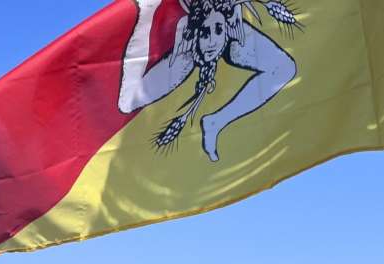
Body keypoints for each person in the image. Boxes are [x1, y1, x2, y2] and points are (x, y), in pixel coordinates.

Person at [118, 0, 298, 160]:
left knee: (284, 68)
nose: (212, 42)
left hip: (228, 26)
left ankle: (216, 122)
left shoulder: (234, 39)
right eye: (205, 33)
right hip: (189, 39)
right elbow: (127, 102)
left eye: (218, 30)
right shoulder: (183, 61)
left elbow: (284, 68)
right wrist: (143, 18)